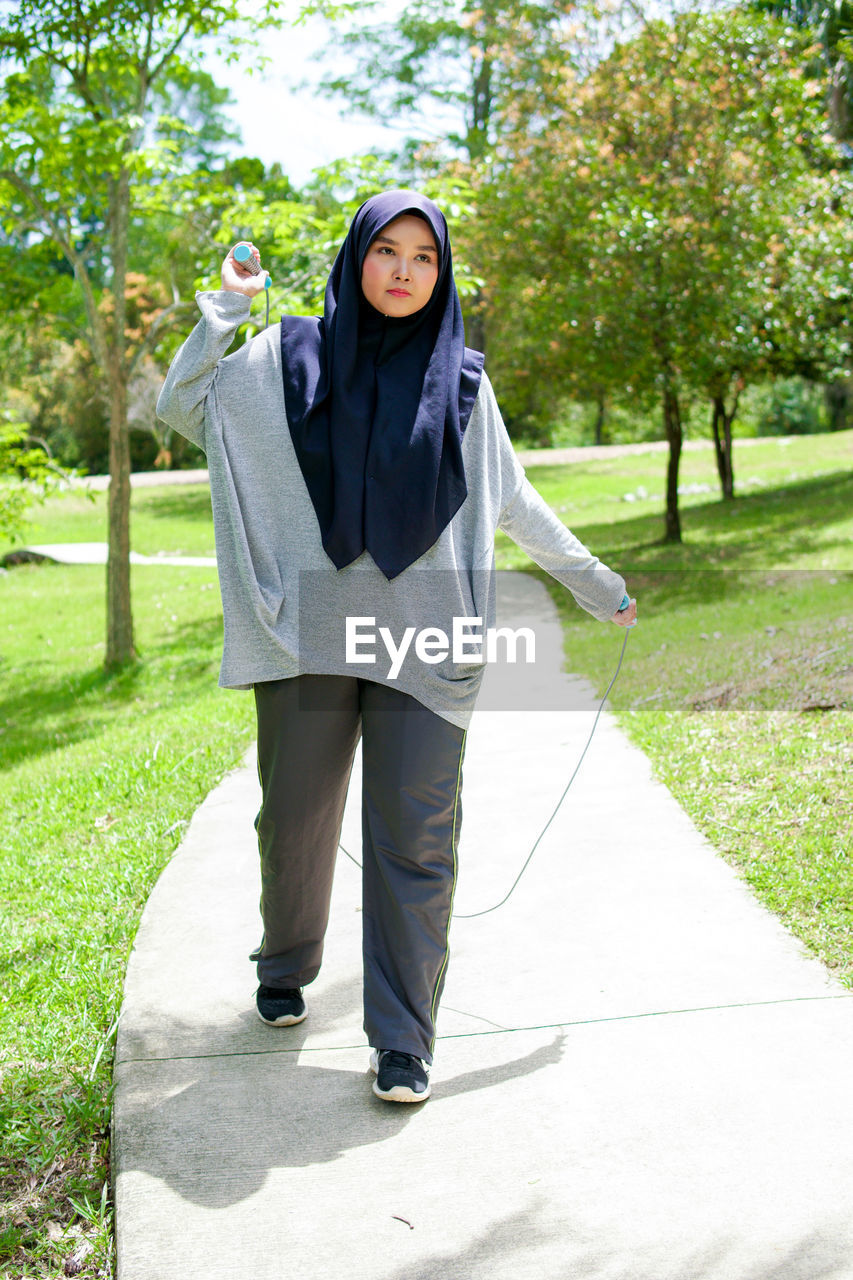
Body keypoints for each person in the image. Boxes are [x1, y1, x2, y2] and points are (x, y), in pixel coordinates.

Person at [156, 189, 636, 1104]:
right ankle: (286, 962)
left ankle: (402, 1041)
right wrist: (222, 309)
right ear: (357, 258)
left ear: (441, 273)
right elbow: (184, 406)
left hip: (428, 638)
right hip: (308, 631)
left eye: (424, 257)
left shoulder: (462, 382)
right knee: (293, 818)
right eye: (388, 251)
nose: (405, 271)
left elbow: (514, 501)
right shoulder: (281, 359)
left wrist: (596, 583)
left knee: (417, 836)